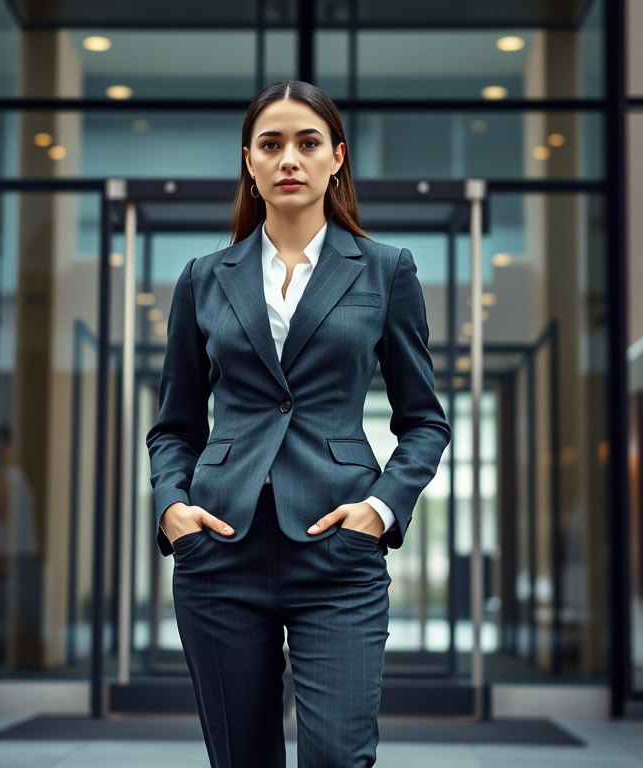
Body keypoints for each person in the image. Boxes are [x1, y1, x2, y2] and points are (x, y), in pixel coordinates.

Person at [147, 81, 451, 767]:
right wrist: (172, 506)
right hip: (221, 550)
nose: (290, 158)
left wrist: (380, 509)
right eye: (272, 144)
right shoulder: (203, 278)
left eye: (308, 143)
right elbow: (174, 426)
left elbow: (425, 421)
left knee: (339, 759)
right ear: (249, 162)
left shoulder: (385, 271)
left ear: (336, 158)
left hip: (337, 554)